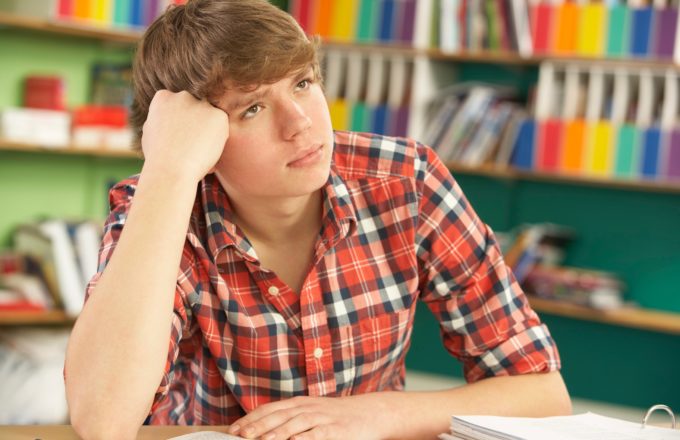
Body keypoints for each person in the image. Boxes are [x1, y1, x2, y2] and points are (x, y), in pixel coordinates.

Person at [64, 1, 571, 439]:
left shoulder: (405, 180)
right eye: (253, 108)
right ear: (198, 135)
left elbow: (545, 396)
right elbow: (102, 422)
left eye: (303, 83)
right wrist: (170, 172)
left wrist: (373, 416)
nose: (301, 123)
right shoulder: (158, 200)